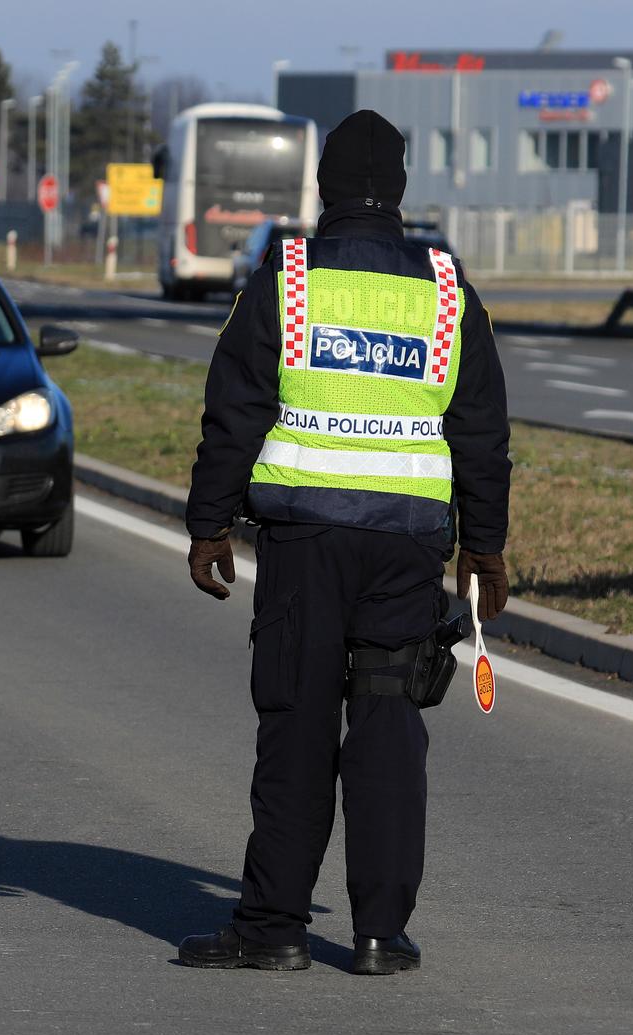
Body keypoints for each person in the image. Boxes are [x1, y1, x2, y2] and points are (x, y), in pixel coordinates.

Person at [177, 110, 511, 976]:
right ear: (399, 191)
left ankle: (274, 928)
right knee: (390, 731)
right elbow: (481, 430)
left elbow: (236, 409)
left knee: (296, 726)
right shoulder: (445, 290)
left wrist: (208, 522)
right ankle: (378, 936)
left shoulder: (286, 278)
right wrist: (485, 547)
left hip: (305, 543)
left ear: (322, 187)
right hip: (406, 548)